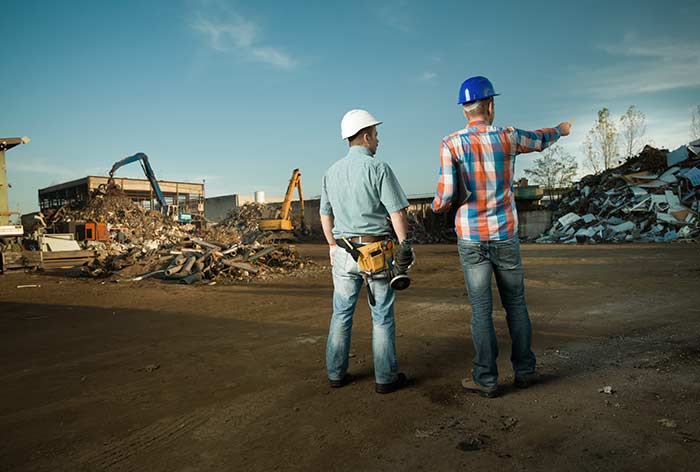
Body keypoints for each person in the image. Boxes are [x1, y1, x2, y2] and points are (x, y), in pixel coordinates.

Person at [432, 76, 572, 398]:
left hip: (471, 239)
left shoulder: (450, 144)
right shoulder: (508, 137)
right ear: (491, 105)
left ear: (465, 111)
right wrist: (561, 130)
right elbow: (540, 139)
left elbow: (446, 195)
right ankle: (524, 372)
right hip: (505, 235)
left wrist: (442, 206)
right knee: (516, 305)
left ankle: (486, 379)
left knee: (481, 311)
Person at [320, 109, 415, 394]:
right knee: (382, 316)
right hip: (375, 253)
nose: (377, 140)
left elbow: (325, 215)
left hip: (344, 253)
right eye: (375, 134)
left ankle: (336, 373)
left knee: (341, 313)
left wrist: (331, 245)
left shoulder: (331, 172)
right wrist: (404, 244)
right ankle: (385, 378)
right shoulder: (378, 168)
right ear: (365, 136)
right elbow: (397, 212)